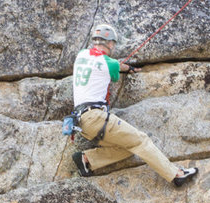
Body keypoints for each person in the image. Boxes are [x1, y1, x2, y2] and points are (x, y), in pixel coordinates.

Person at [70, 23, 198, 187]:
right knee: (141, 141)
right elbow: (115, 70)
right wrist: (128, 68)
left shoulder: (81, 55)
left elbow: (110, 64)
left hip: (82, 123)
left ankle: (86, 158)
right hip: (97, 118)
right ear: (110, 43)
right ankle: (176, 174)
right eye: (113, 45)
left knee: (129, 146)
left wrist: (124, 66)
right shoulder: (110, 63)